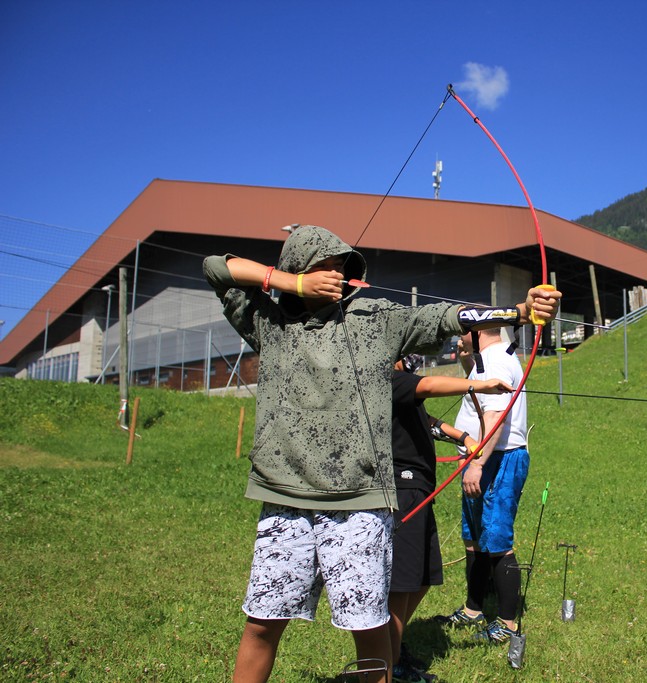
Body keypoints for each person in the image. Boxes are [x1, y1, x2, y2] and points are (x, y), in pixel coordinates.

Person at [202, 225, 560, 683]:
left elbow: (445, 317)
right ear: (296, 268)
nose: (334, 275)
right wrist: (290, 285)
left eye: (340, 267)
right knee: (262, 625)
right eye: (323, 266)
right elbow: (216, 268)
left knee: (371, 631)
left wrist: (519, 311)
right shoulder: (269, 324)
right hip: (285, 499)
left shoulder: (373, 320)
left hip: (360, 505)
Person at [388, 353, 513, 683]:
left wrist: (464, 437)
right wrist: (480, 383)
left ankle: (392, 645)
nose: (409, 357)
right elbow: (428, 385)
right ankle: (390, 662)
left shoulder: (402, 389)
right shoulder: (387, 378)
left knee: (423, 579)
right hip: (402, 491)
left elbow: (425, 420)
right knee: (401, 586)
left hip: (419, 490)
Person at [436, 327, 530, 644]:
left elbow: (495, 415)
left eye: (462, 330)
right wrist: (468, 359)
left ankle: (507, 624)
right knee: (474, 538)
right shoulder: (488, 356)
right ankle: (474, 609)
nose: (456, 335)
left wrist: (476, 463)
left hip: (497, 460)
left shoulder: (495, 360)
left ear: (476, 333)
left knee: (497, 539)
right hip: (486, 459)